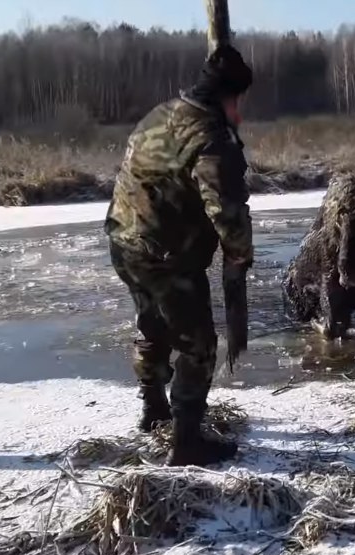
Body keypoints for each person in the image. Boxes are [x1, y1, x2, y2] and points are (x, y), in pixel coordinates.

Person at [105, 46, 254, 468]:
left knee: (152, 326)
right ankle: (186, 440)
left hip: (125, 242)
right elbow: (226, 210)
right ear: (229, 97)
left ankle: (154, 409)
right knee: (198, 346)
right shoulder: (210, 137)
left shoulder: (161, 113)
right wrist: (240, 256)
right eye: (239, 102)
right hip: (166, 256)